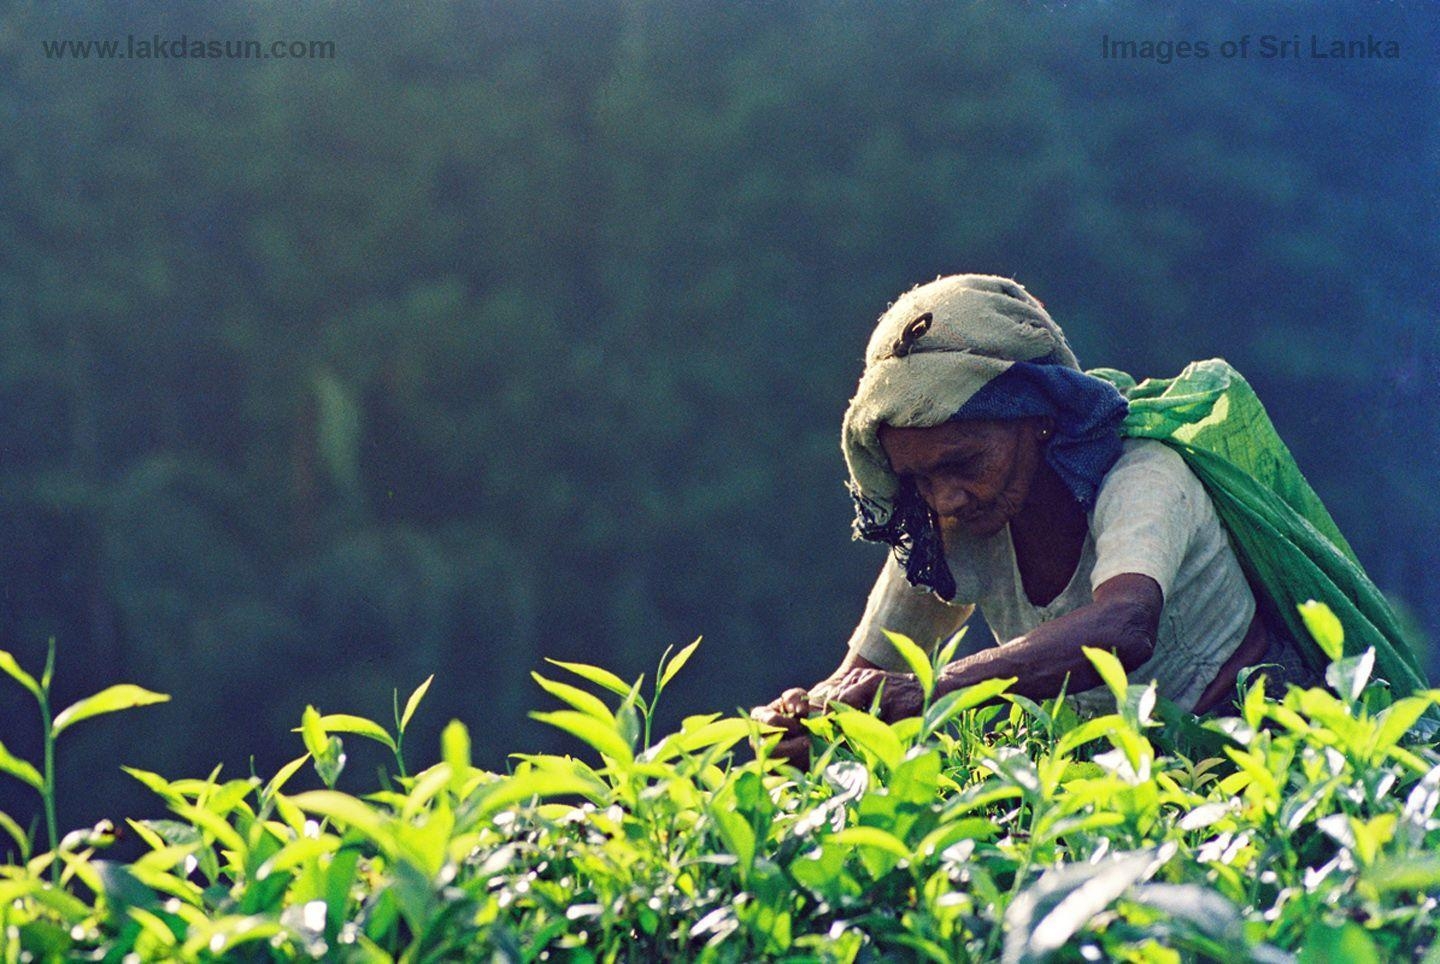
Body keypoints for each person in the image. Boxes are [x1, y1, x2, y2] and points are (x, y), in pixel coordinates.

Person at [753, 274, 1423, 766]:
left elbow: (1123, 626)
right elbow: (865, 679)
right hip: (1112, 769)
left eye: (963, 463)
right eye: (920, 479)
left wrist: (926, 694)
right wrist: (805, 720)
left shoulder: (1146, 476)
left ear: (1039, 416)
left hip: (1255, 742)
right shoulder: (951, 530)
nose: (945, 499)